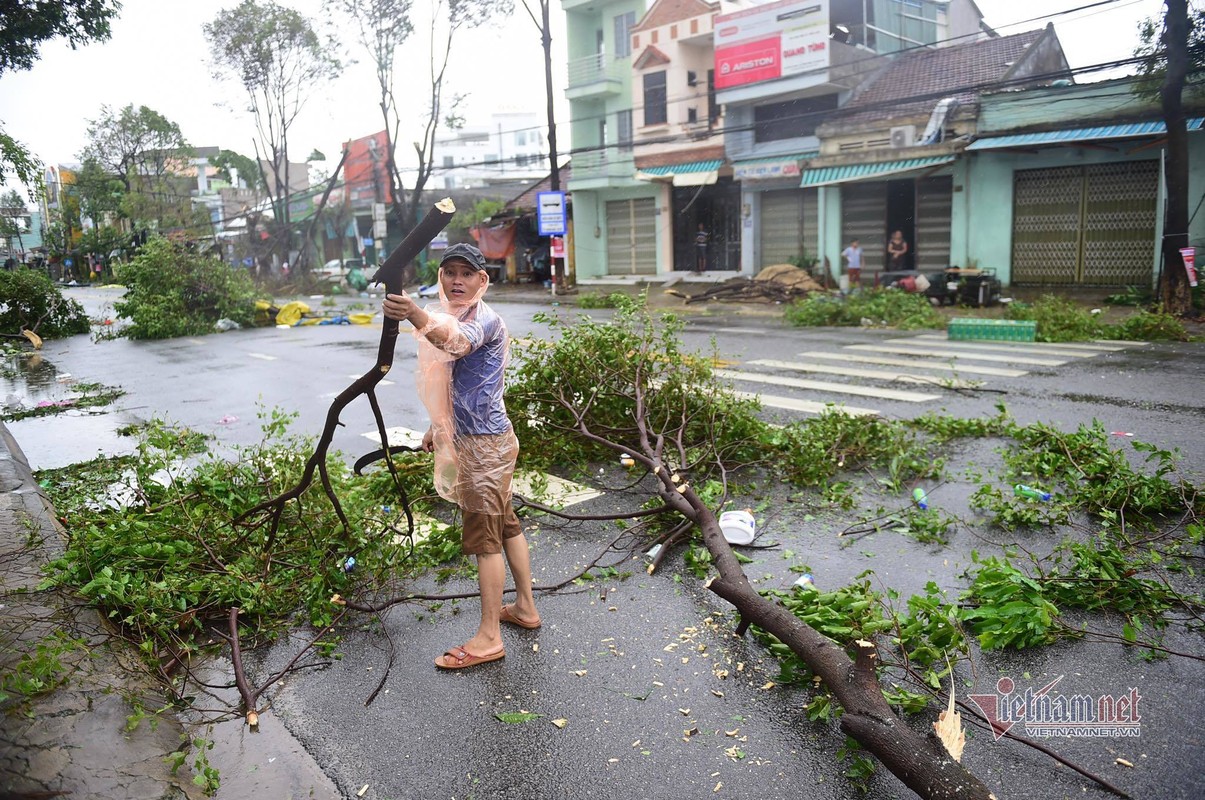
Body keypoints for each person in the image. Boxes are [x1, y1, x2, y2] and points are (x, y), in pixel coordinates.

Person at [381, 243, 540, 670]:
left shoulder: (480, 321)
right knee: (505, 524)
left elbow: (455, 346)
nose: (456, 281)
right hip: (486, 440)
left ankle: (489, 638)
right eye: (449, 271)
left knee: (485, 540)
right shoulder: (459, 312)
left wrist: (414, 313)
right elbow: (455, 379)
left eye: (466, 274)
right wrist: (438, 425)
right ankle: (525, 607)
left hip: (485, 447)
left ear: (482, 281)